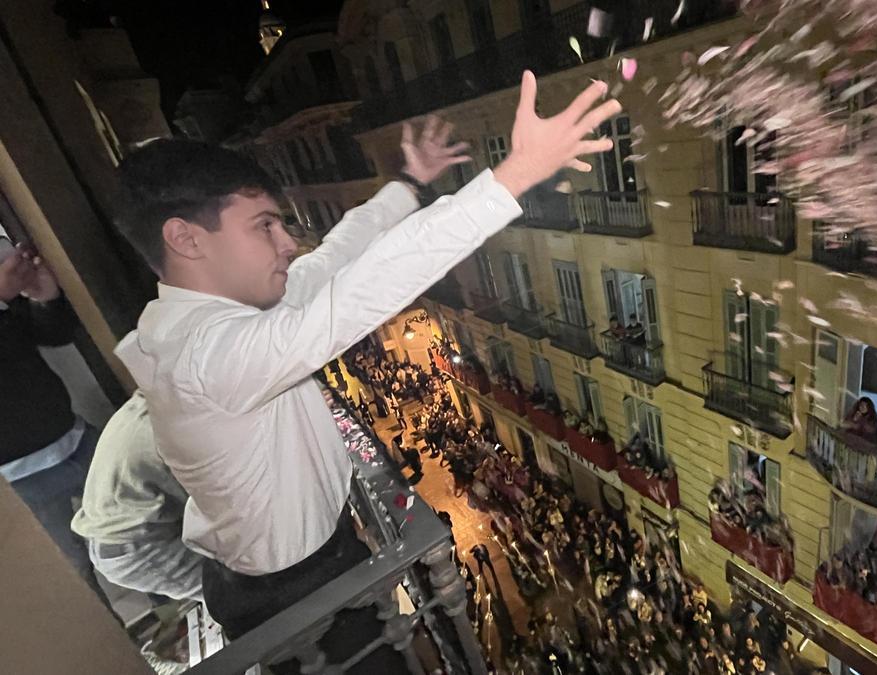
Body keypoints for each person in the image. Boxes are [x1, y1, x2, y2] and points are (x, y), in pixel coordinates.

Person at [111, 70, 621, 644]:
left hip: (306, 569)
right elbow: (355, 296)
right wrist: (514, 175)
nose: (287, 242)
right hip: (294, 597)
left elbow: (334, 261)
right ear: (186, 239)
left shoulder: (220, 322)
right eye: (265, 225)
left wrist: (406, 185)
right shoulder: (203, 356)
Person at [0, 238, 113, 610]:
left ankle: (183, 630)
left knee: (148, 528)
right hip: (17, 482)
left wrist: (44, 298)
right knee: (76, 585)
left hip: (73, 437)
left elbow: (52, 335)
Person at [71, 391, 204, 602]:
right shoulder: (176, 429)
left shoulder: (162, 397)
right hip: (137, 549)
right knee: (242, 593)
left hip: (137, 523)